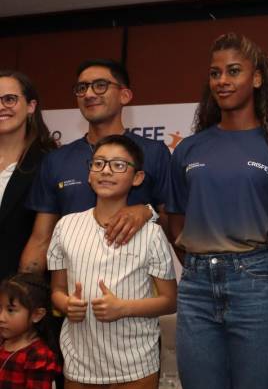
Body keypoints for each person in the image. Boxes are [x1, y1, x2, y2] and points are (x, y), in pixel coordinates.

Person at [167, 33, 268, 389]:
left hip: (257, 287)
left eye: (233, 71)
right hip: (197, 290)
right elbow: (176, 222)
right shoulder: (190, 148)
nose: (222, 81)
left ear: (257, 79)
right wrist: (206, 264)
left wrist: (246, 267)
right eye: (215, 73)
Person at [47, 134, 176, 389]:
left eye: (119, 165)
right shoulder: (65, 227)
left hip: (134, 367)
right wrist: (65, 304)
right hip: (81, 366)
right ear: (89, 173)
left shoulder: (151, 232)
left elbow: (169, 300)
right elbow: (56, 292)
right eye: (99, 164)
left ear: (136, 178)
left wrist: (125, 308)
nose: (106, 171)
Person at [21, 58, 171, 274]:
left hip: (135, 292)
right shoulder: (56, 159)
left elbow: (171, 225)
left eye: (100, 85)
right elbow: (40, 239)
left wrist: (148, 212)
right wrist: (23, 292)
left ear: (124, 95)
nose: (89, 94)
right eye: (82, 88)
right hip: (73, 294)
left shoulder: (153, 152)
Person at [0, 72, 56, 280]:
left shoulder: (49, 161)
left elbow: (43, 238)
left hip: (18, 293)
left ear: (31, 106)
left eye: (9, 99)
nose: (1, 107)